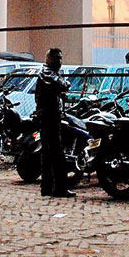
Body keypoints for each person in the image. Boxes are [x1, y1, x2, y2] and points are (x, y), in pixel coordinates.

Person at [34, 48, 75, 198]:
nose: (59, 62)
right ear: (49, 59)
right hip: (49, 117)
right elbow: (61, 84)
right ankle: (58, 188)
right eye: (56, 58)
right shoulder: (47, 73)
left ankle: (48, 187)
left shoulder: (49, 72)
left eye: (60, 58)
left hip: (49, 116)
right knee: (56, 154)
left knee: (49, 154)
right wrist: (66, 84)